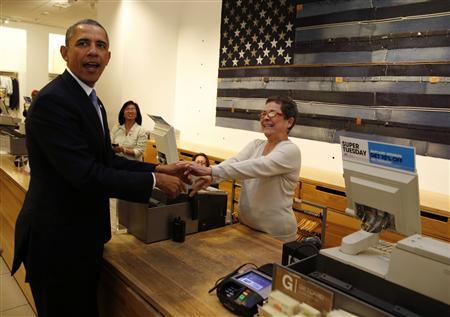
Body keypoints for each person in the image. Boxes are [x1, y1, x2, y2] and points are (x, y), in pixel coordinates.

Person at [11, 19, 188, 317]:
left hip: (80, 237)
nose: (93, 52)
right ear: (65, 52)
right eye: (83, 43)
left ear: (109, 57)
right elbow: (86, 175)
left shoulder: (92, 100)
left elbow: (105, 160)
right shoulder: (54, 101)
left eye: (101, 45)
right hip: (57, 242)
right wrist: (154, 182)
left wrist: (159, 170)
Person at [186, 96, 301, 242]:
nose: (265, 118)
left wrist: (211, 171)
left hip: (275, 236)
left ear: (289, 122)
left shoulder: (290, 150)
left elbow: (258, 166)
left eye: (272, 113)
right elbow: (235, 162)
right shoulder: (256, 145)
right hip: (246, 228)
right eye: (263, 114)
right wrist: (211, 177)